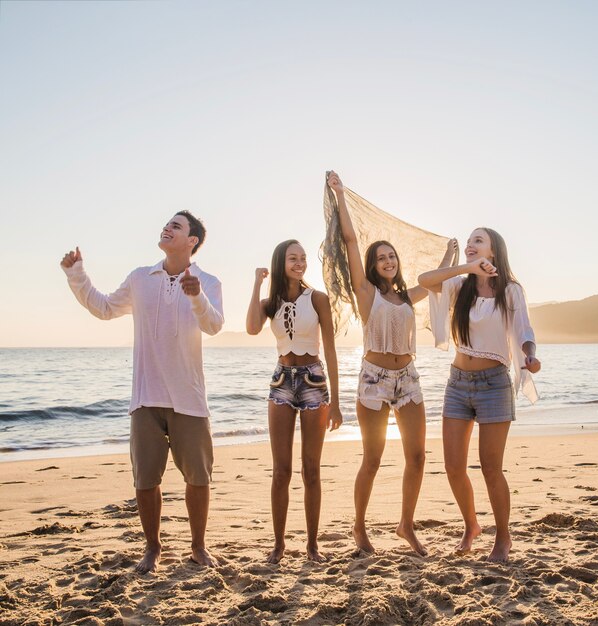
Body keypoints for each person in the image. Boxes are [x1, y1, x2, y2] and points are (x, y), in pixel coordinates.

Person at [60, 211, 224, 573]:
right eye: (167, 224)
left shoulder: (208, 281)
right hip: (145, 398)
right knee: (145, 481)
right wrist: (76, 274)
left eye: (176, 226)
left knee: (198, 478)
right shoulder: (140, 278)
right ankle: (152, 548)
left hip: (189, 399)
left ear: (192, 241)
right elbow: (104, 308)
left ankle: (198, 546)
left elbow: (214, 325)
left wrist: (196, 296)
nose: (167, 228)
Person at [326, 171, 456, 555]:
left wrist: (450, 254)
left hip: (409, 378)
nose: (388, 260)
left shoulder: (406, 297)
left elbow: (437, 282)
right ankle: (360, 527)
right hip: (374, 379)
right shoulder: (366, 293)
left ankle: (405, 525)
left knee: (417, 456)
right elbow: (350, 240)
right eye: (381, 257)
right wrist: (341, 194)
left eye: (392, 256)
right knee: (372, 458)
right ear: (372, 264)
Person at [418, 227, 541, 562]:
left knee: (490, 467)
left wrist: (529, 356)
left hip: (494, 384)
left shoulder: (511, 291)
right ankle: (471, 525)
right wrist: (464, 267)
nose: (470, 245)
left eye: (478, 241)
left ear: (494, 250)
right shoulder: (460, 285)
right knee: (453, 466)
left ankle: (503, 537)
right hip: (457, 383)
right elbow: (426, 279)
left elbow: (524, 330)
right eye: (469, 241)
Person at [246, 239, 342, 563]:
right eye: (293, 258)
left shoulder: (318, 299)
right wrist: (256, 285)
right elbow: (250, 328)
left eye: (303, 258)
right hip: (281, 381)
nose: (300, 263)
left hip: (314, 380)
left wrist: (338, 402)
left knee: (311, 470)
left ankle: (312, 546)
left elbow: (329, 350)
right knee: (281, 471)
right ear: (280, 262)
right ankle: (279, 545)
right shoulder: (268, 302)